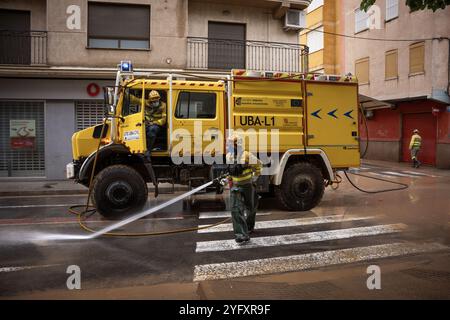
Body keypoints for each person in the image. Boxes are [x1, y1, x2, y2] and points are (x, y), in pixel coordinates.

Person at [225, 134, 262, 244]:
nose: (228, 146)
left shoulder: (247, 155)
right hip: (236, 187)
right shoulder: (228, 156)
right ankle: (241, 234)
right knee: (235, 209)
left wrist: (254, 179)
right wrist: (228, 180)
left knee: (250, 207)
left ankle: (249, 227)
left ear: (238, 145)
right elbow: (231, 171)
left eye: (231, 144)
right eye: (228, 144)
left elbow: (259, 165)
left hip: (248, 185)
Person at [144, 90, 166, 161]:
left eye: (156, 100)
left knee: (152, 131)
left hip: (156, 125)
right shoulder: (146, 103)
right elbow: (134, 99)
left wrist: (154, 122)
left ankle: (148, 151)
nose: (155, 102)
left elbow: (163, 120)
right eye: (153, 101)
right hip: (146, 123)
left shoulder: (163, 105)